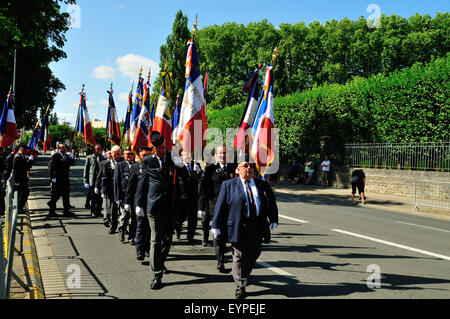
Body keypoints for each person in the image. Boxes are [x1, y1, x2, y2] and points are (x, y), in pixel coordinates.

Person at [212, 155, 278, 299]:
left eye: (251, 166)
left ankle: (243, 274)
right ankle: (241, 285)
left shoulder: (262, 184)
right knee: (239, 255)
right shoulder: (229, 185)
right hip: (238, 225)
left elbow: (271, 203)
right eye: (245, 166)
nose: (249, 168)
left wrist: (273, 219)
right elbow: (220, 206)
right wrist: (216, 224)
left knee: (254, 253)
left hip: (257, 226)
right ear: (238, 169)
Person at [135, 131, 182, 290]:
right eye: (157, 149)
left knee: (168, 239)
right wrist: (138, 204)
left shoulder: (174, 158)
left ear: (165, 146)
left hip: (171, 206)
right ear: (153, 149)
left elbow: (183, 178)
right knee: (156, 239)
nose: (160, 151)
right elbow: (143, 183)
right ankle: (157, 275)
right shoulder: (148, 161)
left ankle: (159, 262)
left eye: (162, 148)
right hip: (154, 206)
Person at [198, 145, 236, 273]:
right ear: (215, 156)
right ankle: (221, 261)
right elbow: (203, 189)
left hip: (232, 208)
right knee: (218, 235)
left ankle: (233, 258)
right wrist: (201, 207)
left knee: (230, 234)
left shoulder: (234, 168)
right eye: (220, 153)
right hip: (215, 207)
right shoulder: (210, 169)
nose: (223, 155)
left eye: (225, 153)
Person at [125, 146, 153, 261]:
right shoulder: (135, 167)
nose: (146, 157)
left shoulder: (154, 167)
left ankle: (147, 248)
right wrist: (127, 202)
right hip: (139, 202)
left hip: (151, 201)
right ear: (140, 155)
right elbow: (130, 187)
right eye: (144, 155)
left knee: (149, 227)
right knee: (141, 226)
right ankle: (139, 251)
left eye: (149, 155)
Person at [174, 150, 202, 244]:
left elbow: (200, 180)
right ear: (181, 157)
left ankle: (190, 237)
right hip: (182, 197)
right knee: (180, 218)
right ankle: (177, 230)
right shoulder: (178, 167)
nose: (188, 157)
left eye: (189, 155)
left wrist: (198, 172)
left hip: (193, 197)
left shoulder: (195, 165)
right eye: (185, 155)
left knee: (193, 218)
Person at [114, 147, 136, 244]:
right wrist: (117, 197)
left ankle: (131, 237)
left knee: (133, 219)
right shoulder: (120, 165)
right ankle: (122, 232)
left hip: (134, 197)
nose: (129, 156)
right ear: (124, 154)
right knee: (124, 217)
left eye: (131, 154)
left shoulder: (137, 165)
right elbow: (116, 182)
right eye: (128, 154)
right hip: (123, 196)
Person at [47, 142, 75, 217]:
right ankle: (51, 211)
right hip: (58, 179)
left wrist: (72, 156)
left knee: (66, 195)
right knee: (55, 195)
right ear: (58, 149)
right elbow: (51, 167)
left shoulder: (66, 156)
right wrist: (52, 177)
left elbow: (72, 163)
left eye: (65, 147)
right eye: (63, 148)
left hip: (65, 178)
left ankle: (66, 211)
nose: (65, 149)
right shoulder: (55, 156)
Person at [100, 145, 123, 234]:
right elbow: (104, 177)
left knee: (123, 210)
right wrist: (103, 190)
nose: (116, 156)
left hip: (122, 189)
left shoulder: (123, 162)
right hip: (112, 190)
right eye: (114, 154)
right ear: (111, 154)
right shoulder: (107, 164)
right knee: (113, 210)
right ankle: (113, 226)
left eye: (118, 154)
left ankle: (123, 226)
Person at [83, 144, 105, 216]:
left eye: (100, 149)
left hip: (101, 180)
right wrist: (85, 181)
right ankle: (93, 211)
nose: (99, 150)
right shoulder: (90, 158)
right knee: (93, 197)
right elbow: (86, 170)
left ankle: (98, 210)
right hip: (93, 180)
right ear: (94, 150)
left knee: (100, 197)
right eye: (98, 149)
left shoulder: (103, 158)